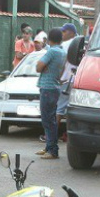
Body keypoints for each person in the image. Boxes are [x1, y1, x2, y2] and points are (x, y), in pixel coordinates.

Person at [35, 28, 66, 160]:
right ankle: (49, 147)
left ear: (49, 40)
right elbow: (61, 70)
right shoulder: (62, 52)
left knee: (48, 120)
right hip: (55, 87)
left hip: (47, 88)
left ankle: (52, 149)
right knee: (50, 119)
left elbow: (38, 67)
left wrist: (44, 66)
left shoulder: (52, 51)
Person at [57, 23, 78, 139]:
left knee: (59, 109)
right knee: (72, 109)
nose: (62, 34)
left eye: (64, 32)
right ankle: (68, 134)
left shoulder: (66, 44)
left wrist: (59, 77)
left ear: (71, 33)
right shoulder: (83, 43)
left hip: (66, 80)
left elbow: (63, 62)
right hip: (78, 81)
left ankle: (51, 135)